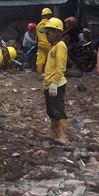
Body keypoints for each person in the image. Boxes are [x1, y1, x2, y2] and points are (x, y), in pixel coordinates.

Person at [40, 17, 68, 145]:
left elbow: (61, 67)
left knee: (58, 110)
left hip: (56, 84)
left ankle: (62, 136)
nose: (47, 36)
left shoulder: (60, 46)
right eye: (46, 33)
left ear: (57, 32)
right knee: (51, 111)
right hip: (49, 83)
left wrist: (55, 83)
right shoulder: (54, 47)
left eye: (49, 33)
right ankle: (54, 131)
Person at [36, 7, 53, 78]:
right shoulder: (49, 23)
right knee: (51, 59)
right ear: (48, 15)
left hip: (40, 44)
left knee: (40, 60)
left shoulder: (38, 25)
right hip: (48, 44)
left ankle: (39, 75)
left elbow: (37, 36)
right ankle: (50, 75)